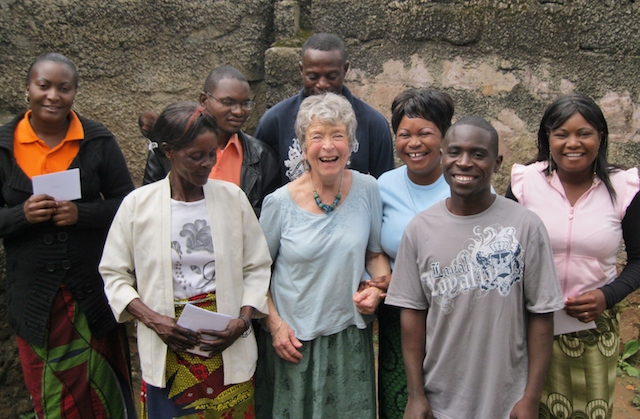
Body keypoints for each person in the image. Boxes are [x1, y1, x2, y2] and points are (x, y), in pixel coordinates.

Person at [100, 101, 272, 418]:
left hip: (225, 342)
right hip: (168, 342)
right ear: (168, 151)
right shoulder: (138, 206)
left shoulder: (233, 199)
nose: (208, 163)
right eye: (196, 156)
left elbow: (257, 266)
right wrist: (154, 320)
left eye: (213, 153)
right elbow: (114, 274)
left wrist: (242, 322)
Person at [386, 116, 564, 419]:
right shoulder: (420, 229)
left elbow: (542, 315)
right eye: (454, 152)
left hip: (507, 400)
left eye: (478, 154)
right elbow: (412, 315)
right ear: (442, 157)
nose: (464, 162)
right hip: (441, 399)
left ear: (497, 162)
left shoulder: (525, 226)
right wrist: (416, 394)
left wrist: (531, 397)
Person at [0, 52, 136, 418]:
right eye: (43, 86)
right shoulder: (3, 145)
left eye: (64, 88)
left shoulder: (97, 141)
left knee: (104, 392)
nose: (53, 96)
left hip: (91, 293)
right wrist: (22, 215)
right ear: (27, 89)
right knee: (54, 397)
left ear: (75, 92)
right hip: (35, 301)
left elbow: (129, 204)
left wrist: (82, 213)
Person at [256, 93, 391, 418]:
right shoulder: (279, 203)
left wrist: (378, 287)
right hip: (292, 340)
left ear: (351, 144)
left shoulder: (368, 189)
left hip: (348, 336)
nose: (328, 146)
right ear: (303, 146)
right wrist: (275, 326)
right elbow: (256, 273)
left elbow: (374, 254)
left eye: (337, 135)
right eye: (317, 136)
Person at [506, 94, 640, 418]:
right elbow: (502, 251)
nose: (572, 143)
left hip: (593, 328)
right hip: (527, 324)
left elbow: (639, 260)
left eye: (584, 133)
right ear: (547, 138)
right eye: (561, 133)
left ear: (601, 138)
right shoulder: (525, 185)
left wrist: (607, 296)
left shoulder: (624, 188)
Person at [375, 89, 454, 419]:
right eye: (404, 134)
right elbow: (375, 248)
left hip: (452, 318)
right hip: (398, 317)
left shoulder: (465, 184)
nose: (414, 143)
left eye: (425, 133)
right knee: (401, 403)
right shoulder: (384, 185)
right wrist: (384, 281)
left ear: (444, 136)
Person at [254, 32, 394, 185]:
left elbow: (385, 188)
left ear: (345, 69)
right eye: (313, 77)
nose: (322, 84)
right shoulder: (274, 121)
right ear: (301, 70)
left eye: (331, 76)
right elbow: (260, 184)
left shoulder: (373, 124)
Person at [141, 65, 279, 216]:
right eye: (228, 102)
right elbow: (149, 207)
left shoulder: (262, 157)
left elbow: (267, 216)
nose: (239, 111)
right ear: (204, 100)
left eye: (245, 104)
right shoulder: (170, 149)